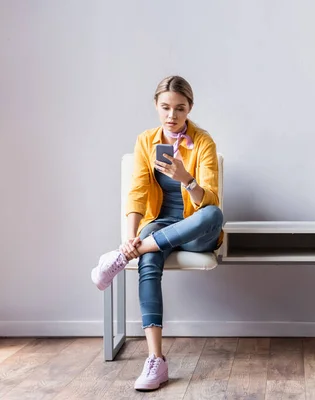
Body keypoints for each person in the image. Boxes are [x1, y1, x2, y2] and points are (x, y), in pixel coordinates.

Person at [91, 75, 224, 391]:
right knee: (149, 262)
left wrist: (186, 178)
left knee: (215, 215)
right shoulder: (145, 141)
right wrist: (130, 237)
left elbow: (211, 201)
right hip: (159, 224)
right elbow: (136, 191)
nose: (172, 116)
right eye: (165, 108)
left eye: (179, 108)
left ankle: (123, 258)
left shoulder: (203, 141)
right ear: (156, 106)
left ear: (190, 108)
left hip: (196, 231)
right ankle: (156, 360)